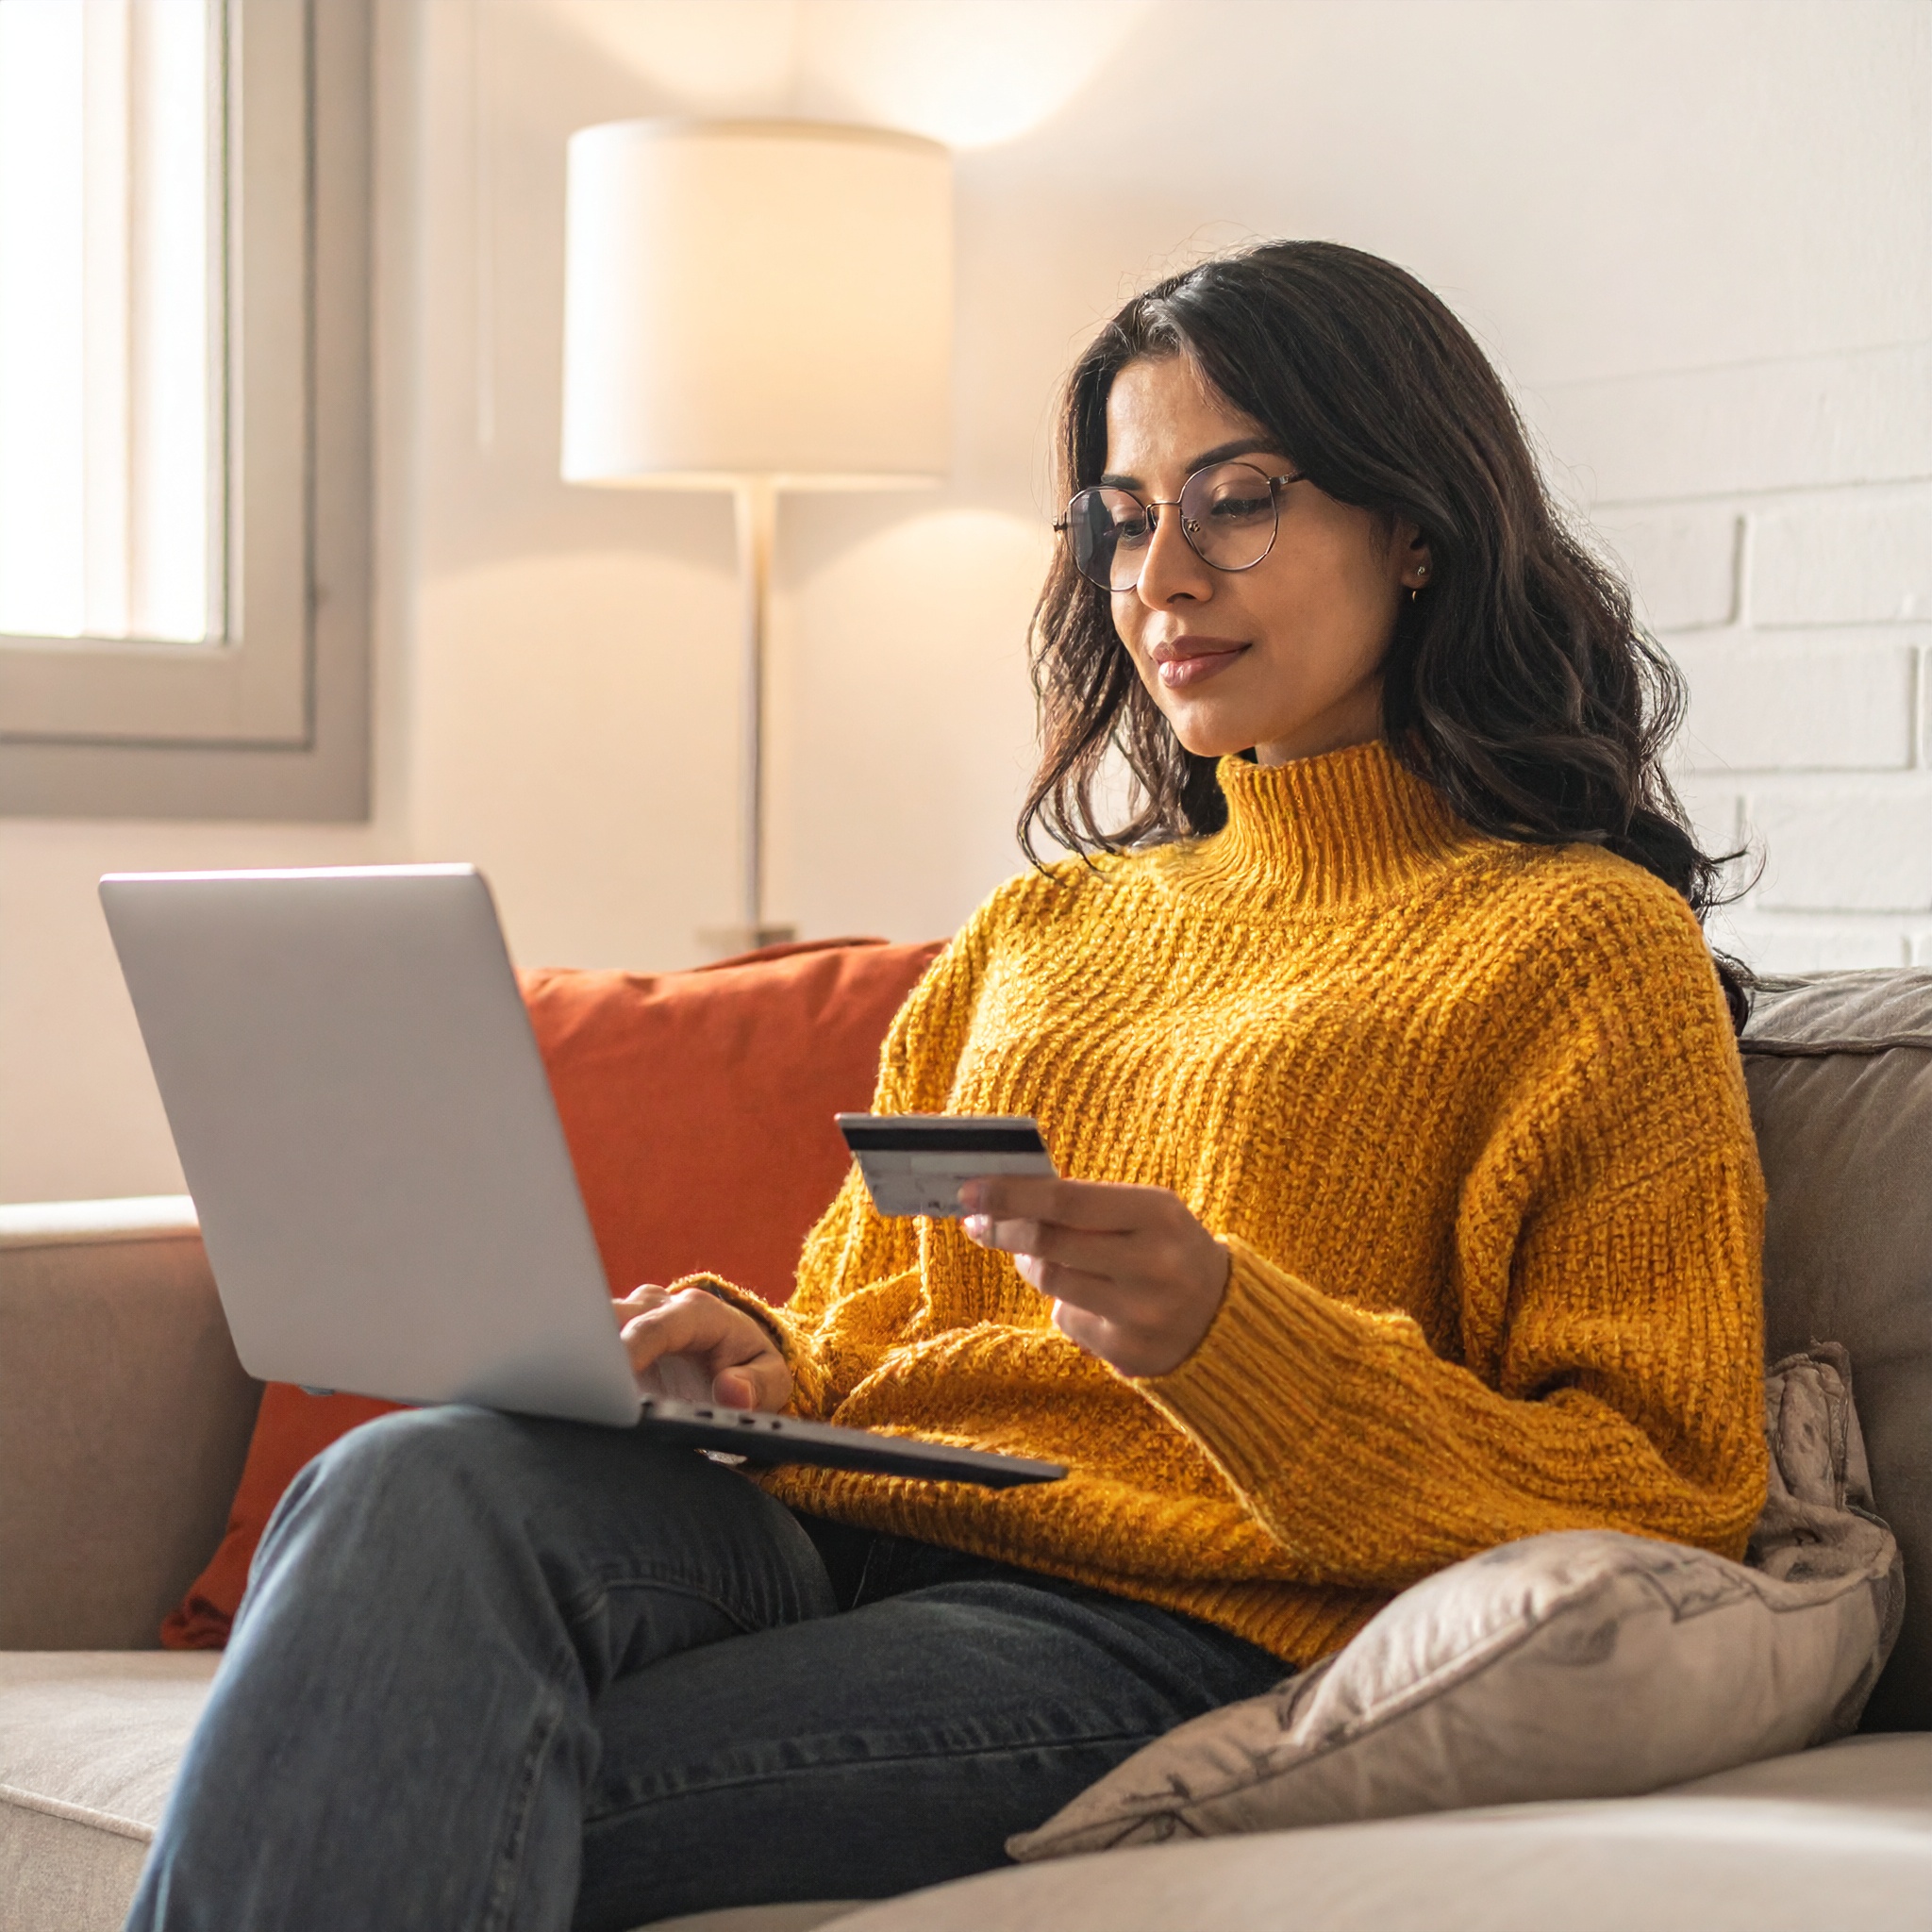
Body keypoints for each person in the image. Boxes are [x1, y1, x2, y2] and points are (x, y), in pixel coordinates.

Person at [125, 242, 1768, 1932]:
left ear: (1417, 527)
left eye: (1242, 499)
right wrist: (753, 1345)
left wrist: (1234, 1336)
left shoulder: (1578, 944)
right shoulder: (1046, 923)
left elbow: (1667, 1491)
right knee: (415, 1477)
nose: (1166, 576)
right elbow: (864, 1323)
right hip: (832, 1526)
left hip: (1151, 1614)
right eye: (1124, 518)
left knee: (401, 1755)